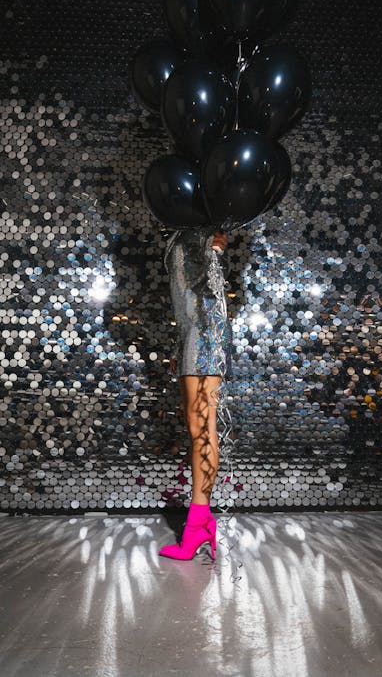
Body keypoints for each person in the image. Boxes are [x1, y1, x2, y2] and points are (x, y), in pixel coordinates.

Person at [158, 227, 233, 561]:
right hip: (191, 331)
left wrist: (217, 242)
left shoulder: (205, 223)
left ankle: (195, 526)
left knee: (203, 427)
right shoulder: (181, 228)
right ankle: (201, 524)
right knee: (195, 426)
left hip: (206, 327)